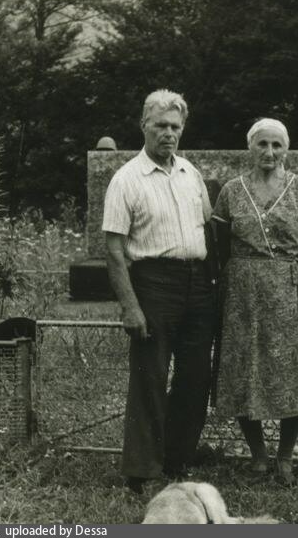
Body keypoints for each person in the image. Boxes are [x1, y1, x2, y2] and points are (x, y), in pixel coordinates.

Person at [102, 89, 216, 493]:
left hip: (197, 283)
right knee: (150, 377)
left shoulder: (190, 173)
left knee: (196, 377)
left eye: (175, 127)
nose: (168, 134)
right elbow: (114, 251)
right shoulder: (126, 179)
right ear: (144, 126)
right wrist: (130, 307)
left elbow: (208, 226)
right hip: (153, 284)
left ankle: (175, 461)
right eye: (160, 126)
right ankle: (141, 473)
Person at [211, 118, 298, 485]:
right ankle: (258, 457)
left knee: (294, 376)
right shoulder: (231, 191)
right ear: (250, 147)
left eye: (277, 145)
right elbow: (219, 247)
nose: (270, 152)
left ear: (286, 150)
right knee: (246, 373)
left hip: (289, 293)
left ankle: (286, 457)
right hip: (243, 297)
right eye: (262, 144)